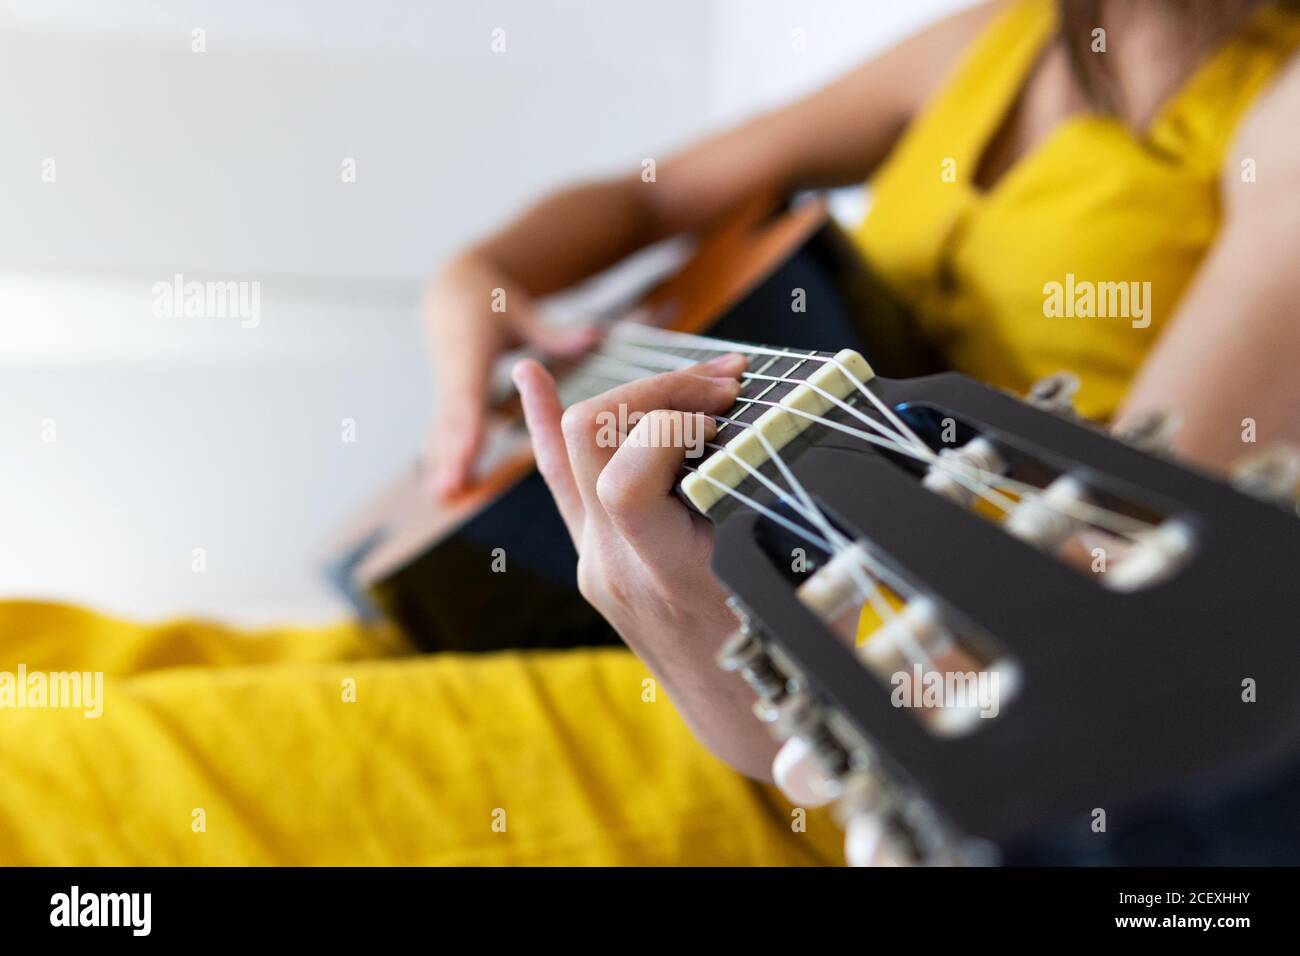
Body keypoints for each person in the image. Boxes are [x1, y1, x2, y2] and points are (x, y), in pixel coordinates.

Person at [3, 0, 1297, 865]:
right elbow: (661, 195)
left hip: (820, 733)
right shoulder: (1000, 39)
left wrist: (731, 687)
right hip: (665, 607)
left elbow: (1080, 653)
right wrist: (488, 274)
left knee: (54, 787)